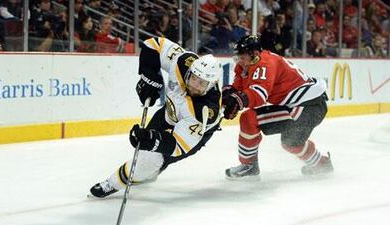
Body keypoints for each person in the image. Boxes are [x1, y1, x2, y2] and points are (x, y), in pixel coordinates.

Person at [90, 37, 223, 198]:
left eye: (202, 83)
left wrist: (153, 140)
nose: (194, 85)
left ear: (210, 85)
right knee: (148, 154)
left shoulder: (205, 111)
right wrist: (149, 75)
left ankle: (112, 183)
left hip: (192, 136)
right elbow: (153, 45)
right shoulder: (183, 62)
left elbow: (177, 146)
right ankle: (149, 172)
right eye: (193, 78)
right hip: (168, 114)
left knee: (151, 159)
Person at [222, 35, 333, 180]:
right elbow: (238, 89)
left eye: (242, 57)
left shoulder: (265, 64)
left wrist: (237, 101)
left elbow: (259, 94)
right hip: (302, 105)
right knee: (291, 142)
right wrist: (228, 97)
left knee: (251, 119)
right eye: (238, 57)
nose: (239, 61)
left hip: (309, 106)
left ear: (254, 54)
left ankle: (249, 167)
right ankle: (321, 164)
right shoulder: (245, 65)